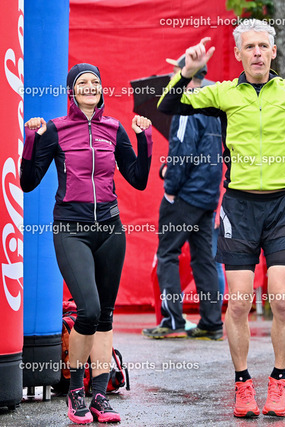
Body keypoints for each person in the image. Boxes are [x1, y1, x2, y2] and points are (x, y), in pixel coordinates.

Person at [157, 19, 285, 418]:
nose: (258, 53)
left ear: (274, 51)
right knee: (238, 304)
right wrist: (186, 73)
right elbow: (168, 106)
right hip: (239, 207)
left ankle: (279, 382)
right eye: (250, 47)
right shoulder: (223, 93)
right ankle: (243, 384)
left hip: (282, 205)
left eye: (264, 46)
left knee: (282, 300)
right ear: (239, 54)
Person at [21, 63, 152, 424]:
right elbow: (28, 181)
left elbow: (139, 179)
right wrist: (32, 140)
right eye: (83, 82)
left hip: (110, 229)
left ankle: (100, 396)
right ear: (72, 91)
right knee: (89, 311)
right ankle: (76, 390)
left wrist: (144, 139)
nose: (90, 86)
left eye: (95, 82)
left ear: (101, 89)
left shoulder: (114, 128)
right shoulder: (56, 129)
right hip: (71, 228)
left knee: (106, 316)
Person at [142, 54, 224, 340]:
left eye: (175, 70)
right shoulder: (213, 106)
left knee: (167, 255)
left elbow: (183, 152)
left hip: (186, 195)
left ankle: (172, 320)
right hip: (207, 195)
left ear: (185, 73)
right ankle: (212, 323)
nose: (171, 76)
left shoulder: (186, 105)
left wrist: (170, 187)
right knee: (204, 259)